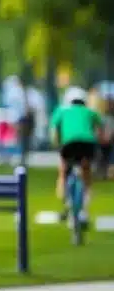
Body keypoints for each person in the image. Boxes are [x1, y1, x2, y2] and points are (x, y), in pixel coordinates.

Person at [50, 86, 104, 224]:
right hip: (87, 144)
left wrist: (56, 145)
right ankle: (84, 210)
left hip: (69, 144)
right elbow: (101, 129)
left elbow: (54, 132)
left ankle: (66, 203)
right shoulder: (90, 112)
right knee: (86, 174)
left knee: (63, 171)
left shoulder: (61, 110)